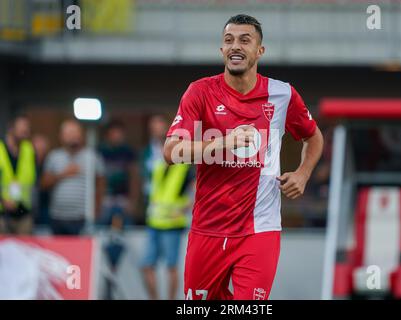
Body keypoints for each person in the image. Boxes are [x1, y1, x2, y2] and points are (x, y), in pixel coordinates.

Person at [163, 14, 323, 300]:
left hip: (260, 228)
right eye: (229, 40)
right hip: (208, 228)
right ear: (222, 50)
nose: (235, 46)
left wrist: (303, 173)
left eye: (244, 40)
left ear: (259, 51)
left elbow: (314, 136)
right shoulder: (199, 92)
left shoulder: (282, 94)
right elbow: (171, 152)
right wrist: (224, 142)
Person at [141, 115, 195, 300]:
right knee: (147, 266)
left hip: (173, 223)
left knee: (171, 267)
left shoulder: (186, 165)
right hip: (154, 221)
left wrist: (186, 208)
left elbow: (197, 191)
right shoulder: (157, 159)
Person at [41, 120, 106, 235]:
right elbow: (43, 184)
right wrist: (63, 174)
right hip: (58, 217)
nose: (73, 136)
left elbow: (100, 185)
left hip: (82, 217)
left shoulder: (92, 157)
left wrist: (97, 209)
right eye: (69, 133)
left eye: (76, 133)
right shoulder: (54, 156)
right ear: (61, 136)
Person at [98, 121, 138, 227]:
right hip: (106, 198)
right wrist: (98, 201)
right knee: (102, 228)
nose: (116, 136)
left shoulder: (128, 152)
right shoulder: (101, 151)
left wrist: (132, 201)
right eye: (113, 133)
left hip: (123, 198)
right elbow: (98, 178)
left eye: (118, 133)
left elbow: (134, 178)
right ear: (107, 135)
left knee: (127, 228)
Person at [0, 115, 36, 235]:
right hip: (2, 213)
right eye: (21, 130)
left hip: (24, 212)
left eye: (27, 130)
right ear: (11, 129)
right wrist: (3, 200)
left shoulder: (29, 149)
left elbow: (33, 180)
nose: (25, 133)